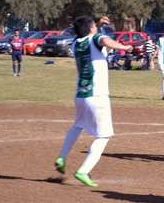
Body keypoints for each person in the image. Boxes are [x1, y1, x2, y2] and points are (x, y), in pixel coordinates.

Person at [55, 16, 132, 187]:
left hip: (80, 94)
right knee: (103, 136)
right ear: (91, 29)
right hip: (97, 95)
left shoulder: (76, 43)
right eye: (93, 26)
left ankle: (62, 157)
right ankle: (84, 170)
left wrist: (96, 25)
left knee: (78, 125)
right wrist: (124, 47)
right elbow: (104, 40)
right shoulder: (96, 38)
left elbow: (88, 36)